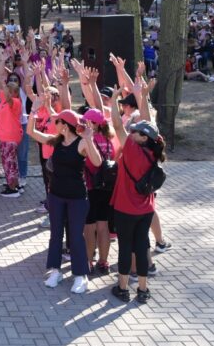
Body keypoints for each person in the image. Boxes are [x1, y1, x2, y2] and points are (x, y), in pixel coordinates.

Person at [28, 108, 102, 294]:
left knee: (76, 236)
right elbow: (31, 132)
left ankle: (80, 275)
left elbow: (98, 161)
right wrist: (33, 111)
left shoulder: (81, 143)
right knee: (56, 234)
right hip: (56, 196)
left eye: (58, 121)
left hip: (77, 198)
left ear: (66, 125)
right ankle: (55, 271)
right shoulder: (57, 141)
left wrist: (89, 138)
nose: (55, 124)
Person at [110, 117, 165, 304]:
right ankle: (143, 289)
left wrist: (116, 98)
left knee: (125, 248)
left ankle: (123, 288)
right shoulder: (154, 152)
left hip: (126, 208)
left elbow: (117, 125)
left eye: (135, 132)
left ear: (143, 138)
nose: (131, 133)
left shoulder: (133, 150)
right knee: (142, 247)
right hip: (146, 208)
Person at [82, 108, 119, 275]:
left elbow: (90, 162)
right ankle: (104, 261)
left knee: (89, 228)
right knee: (103, 226)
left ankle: (89, 262)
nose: (83, 124)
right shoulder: (109, 139)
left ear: (94, 124)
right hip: (107, 188)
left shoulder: (89, 140)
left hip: (90, 187)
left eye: (86, 121)